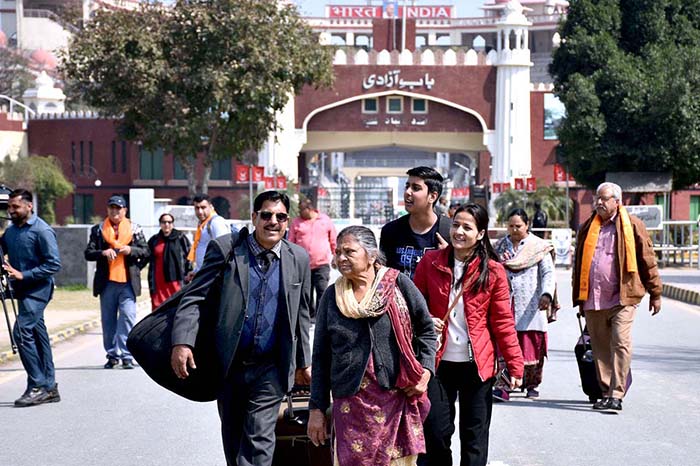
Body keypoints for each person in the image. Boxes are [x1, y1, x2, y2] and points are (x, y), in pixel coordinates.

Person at [171, 190, 312, 466]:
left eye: (280, 217)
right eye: (267, 215)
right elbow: (195, 296)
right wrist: (182, 342)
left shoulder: (299, 259)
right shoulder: (227, 250)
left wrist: (302, 362)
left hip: (271, 368)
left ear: (288, 222)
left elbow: (301, 314)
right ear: (254, 217)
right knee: (234, 443)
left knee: (259, 444)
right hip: (229, 366)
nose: (273, 222)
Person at [308, 225, 437, 466]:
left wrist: (426, 371)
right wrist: (316, 409)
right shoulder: (332, 297)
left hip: (394, 397)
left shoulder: (398, 285)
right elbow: (321, 357)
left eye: (349, 252)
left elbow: (427, 330)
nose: (341, 258)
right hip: (350, 403)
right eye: (338, 252)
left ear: (372, 255)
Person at [413, 203, 524, 466]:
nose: (459, 232)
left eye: (467, 227)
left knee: (475, 438)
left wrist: (515, 365)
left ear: (481, 233)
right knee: (436, 434)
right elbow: (412, 310)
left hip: (478, 365)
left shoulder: (494, 271)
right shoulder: (430, 263)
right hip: (437, 364)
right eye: (455, 225)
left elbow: (503, 322)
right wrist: (428, 320)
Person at [572, 182, 662, 412]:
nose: (599, 202)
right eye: (597, 198)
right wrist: (578, 297)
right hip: (593, 298)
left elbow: (647, 259)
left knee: (620, 343)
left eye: (604, 199)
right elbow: (579, 264)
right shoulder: (587, 227)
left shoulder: (632, 225)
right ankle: (605, 392)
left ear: (617, 201)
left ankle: (617, 394)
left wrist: (656, 292)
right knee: (600, 348)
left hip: (623, 297)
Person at [0, 189, 61, 407]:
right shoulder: (12, 230)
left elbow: (54, 264)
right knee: (37, 334)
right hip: (22, 291)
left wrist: (22, 274)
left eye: (15, 207)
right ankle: (50, 387)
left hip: (38, 291)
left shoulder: (41, 230)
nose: (11, 211)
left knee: (21, 331)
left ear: (29, 206)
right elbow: (2, 246)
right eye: (9, 207)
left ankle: (37, 385)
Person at [494, 208, 555, 400]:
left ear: (527, 225)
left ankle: (531, 384)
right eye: (510, 226)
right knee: (504, 345)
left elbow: (548, 272)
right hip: (505, 303)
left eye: (518, 226)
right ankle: (504, 385)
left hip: (531, 305)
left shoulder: (538, 247)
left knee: (531, 346)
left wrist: (546, 294)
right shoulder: (499, 247)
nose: (514, 229)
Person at [85, 195, 149, 369]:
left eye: (118, 208)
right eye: (112, 208)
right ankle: (112, 355)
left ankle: (127, 355)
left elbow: (145, 252)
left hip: (127, 283)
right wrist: (103, 253)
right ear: (107, 210)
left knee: (128, 317)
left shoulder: (135, 229)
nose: (115, 211)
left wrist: (130, 250)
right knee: (108, 321)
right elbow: (88, 253)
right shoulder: (98, 230)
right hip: (107, 283)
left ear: (125, 211)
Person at [380, 166, 451, 279]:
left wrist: (449, 257)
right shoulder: (390, 231)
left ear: (432, 196)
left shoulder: (450, 231)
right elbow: (382, 275)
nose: (408, 192)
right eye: (407, 186)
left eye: (416, 188)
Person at [288, 197, 336, 319]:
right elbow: (290, 242)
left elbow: (333, 241)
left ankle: (321, 317)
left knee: (322, 291)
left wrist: (336, 256)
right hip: (302, 265)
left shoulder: (325, 220)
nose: (299, 213)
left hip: (322, 264)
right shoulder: (296, 222)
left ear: (309, 209)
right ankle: (308, 316)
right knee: (305, 292)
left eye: (301, 210)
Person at [146, 212, 192, 310]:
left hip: (176, 282)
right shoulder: (154, 240)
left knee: (176, 308)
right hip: (158, 283)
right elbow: (145, 256)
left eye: (169, 222)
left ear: (172, 224)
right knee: (158, 310)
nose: (166, 225)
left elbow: (189, 256)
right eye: (164, 222)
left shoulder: (180, 238)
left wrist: (189, 273)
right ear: (160, 224)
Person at [185, 193, 230, 281]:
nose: (200, 211)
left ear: (211, 207)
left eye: (203, 207)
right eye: (197, 208)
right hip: (205, 275)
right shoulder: (202, 224)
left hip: (214, 277)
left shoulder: (216, 222)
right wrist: (196, 271)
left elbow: (225, 249)